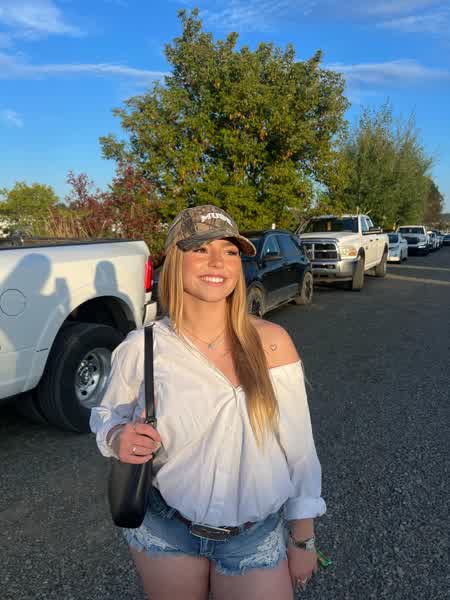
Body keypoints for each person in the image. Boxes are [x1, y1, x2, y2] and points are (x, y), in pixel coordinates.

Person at [90, 205, 326, 600]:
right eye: (201, 249)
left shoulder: (271, 342)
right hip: (166, 530)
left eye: (230, 251)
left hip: (253, 538)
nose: (218, 261)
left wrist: (303, 539)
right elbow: (105, 414)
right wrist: (117, 436)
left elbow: (300, 450)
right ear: (174, 262)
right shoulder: (143, 346)